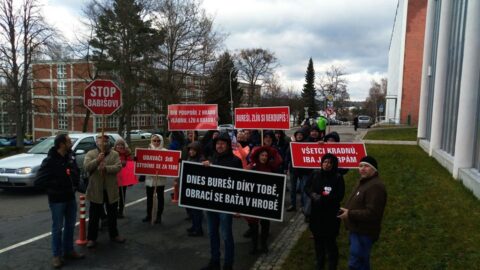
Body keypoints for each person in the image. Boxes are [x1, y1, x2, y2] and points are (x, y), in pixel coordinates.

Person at [35, 133, 85, 268]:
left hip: (70, 197)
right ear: (61, 144)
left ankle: (69, 251)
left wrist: (75, 184)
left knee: (70, 226)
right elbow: (39, 181)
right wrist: (56, 187)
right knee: (57, 228)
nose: (70, 142)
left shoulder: (70, 156)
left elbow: (76, 171)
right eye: (68, 141)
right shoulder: (50, 160)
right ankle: (56, 255)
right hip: (57, 200)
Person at [201, 132, 243, 270]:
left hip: (226, 204)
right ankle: (215, 261)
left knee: (226, 235)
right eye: (217, 143)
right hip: (212, 203)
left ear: (227, 145)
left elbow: (240, 184)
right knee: (212, 234)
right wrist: (206, 167)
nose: (219, 146)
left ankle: (228, 264)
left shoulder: (235, 161)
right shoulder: (213, 158)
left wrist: (237, 206)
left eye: (222, 143)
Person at [338, 156, 387, 270]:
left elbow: (372, 213)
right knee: (362, 263)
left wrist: (349, 213)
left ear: (374, 169)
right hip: (357, 230)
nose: (362, 169)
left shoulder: (375, 186)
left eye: (366, 166)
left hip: (363, 232)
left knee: (356, 264)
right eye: (360, 166)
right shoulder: (365, 181)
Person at [84, 134, 125, 248]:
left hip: (110, 189)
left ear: (108, 143)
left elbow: (118, 167)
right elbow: (86, 167)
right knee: (94, 216)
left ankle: (114, 235)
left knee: (112, 214)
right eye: (100, 142)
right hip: (96, 190)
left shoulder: (115, 154)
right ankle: (91, 238)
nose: (103, 144)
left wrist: (106, 168)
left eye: (105, 142)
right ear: (96, 142)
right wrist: (97, 160)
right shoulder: (91, 153)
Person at [305, 153, 345, 270]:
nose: (327, 165)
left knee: (330, 243)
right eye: (325, 162)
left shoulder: (337, 177)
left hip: (330, 215)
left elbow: (340, 195)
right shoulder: (315, 174)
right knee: (318, 242)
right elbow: (306, 187)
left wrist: (324, 199)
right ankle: (320, 264)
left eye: (330, 163)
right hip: (316, 214)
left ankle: (332, 265)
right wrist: (312, 195)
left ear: (334, 165)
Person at [246, 146, 283, 254]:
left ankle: (264, 244)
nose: (264, 157)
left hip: (266, 201)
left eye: (266, 155)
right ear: (258, 156)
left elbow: (279, 160)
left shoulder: (270, 167)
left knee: (265, 224)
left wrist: (272, 150)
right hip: (253, 200)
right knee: (253, 225)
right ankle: (254, 246)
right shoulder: (252, 167)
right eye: (262, 155)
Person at [143, 134, 168, 224]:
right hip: (149, 179)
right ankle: (149, 215)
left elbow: (169, 163)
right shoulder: (147, 151)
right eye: (154, 141)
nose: (156, 142)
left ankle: (158, 216)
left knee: (160, 198)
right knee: (149, 198)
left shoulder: (165, 151)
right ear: (151, 141)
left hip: (160, 179)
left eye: (158, 141)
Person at [185, 141, 205, 236]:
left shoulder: (201, 160)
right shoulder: (190, 158)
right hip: (190, 188)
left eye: (193, 150)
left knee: (197, 212)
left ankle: (198, 230)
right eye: (190, 150)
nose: (191, 152)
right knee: (193, 211)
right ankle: (194, 226)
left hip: (197, 189)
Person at [113, 138, 134, 218]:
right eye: (118, 145)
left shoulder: (127, 153)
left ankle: (120, 211)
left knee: (122, 195)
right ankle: (113, 210)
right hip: (114, 178)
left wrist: (126, 163)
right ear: (115, 146)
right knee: (114, 196)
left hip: (123, 178)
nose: (120, 146)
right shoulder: (113, 153)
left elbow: (130, 165)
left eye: (121, 145)